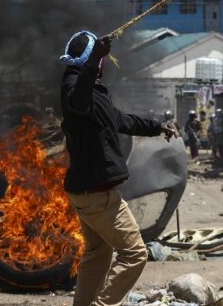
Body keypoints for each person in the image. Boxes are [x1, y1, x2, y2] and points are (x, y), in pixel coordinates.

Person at [59, 30, 178, 306]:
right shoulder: (74, 87)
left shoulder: (91, 91)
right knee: (135, 254)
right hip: (97, 194)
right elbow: (79, 100)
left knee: (97, 254)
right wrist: (93, 61)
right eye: (99, 60)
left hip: (86, 191)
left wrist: (157, 126)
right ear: (93, 62)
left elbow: (120, 119)